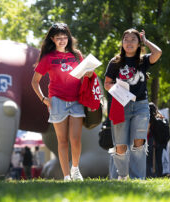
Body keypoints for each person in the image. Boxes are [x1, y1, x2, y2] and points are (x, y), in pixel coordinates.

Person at [31, 23, 92, 181]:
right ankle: (66, 176)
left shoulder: (77, 55)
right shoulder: (48, 58)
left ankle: (75, 170)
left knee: (75, 139)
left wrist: (89, 73)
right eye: (58, 38)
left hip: (77, 100)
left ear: (69, 38)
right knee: (63, 140)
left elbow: (86, 76)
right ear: (52, 39)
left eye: (65, 37)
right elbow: (34, 82)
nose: (62, 40)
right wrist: (44, 99)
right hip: (57, 101)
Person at [104, 29, 162, 180]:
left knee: (139, 143)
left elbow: (158, 53)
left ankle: (138, 179)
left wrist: (146, 41)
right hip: (120, 106)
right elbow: (107, 84)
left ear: (138, 44)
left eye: (133, 39)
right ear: (122, 43)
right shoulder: (115, 62)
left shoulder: (143, 61)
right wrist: (121, 93)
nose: (129, 42)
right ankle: (122, 175)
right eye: (126, 39)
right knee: (121, 146)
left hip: (141, 106)